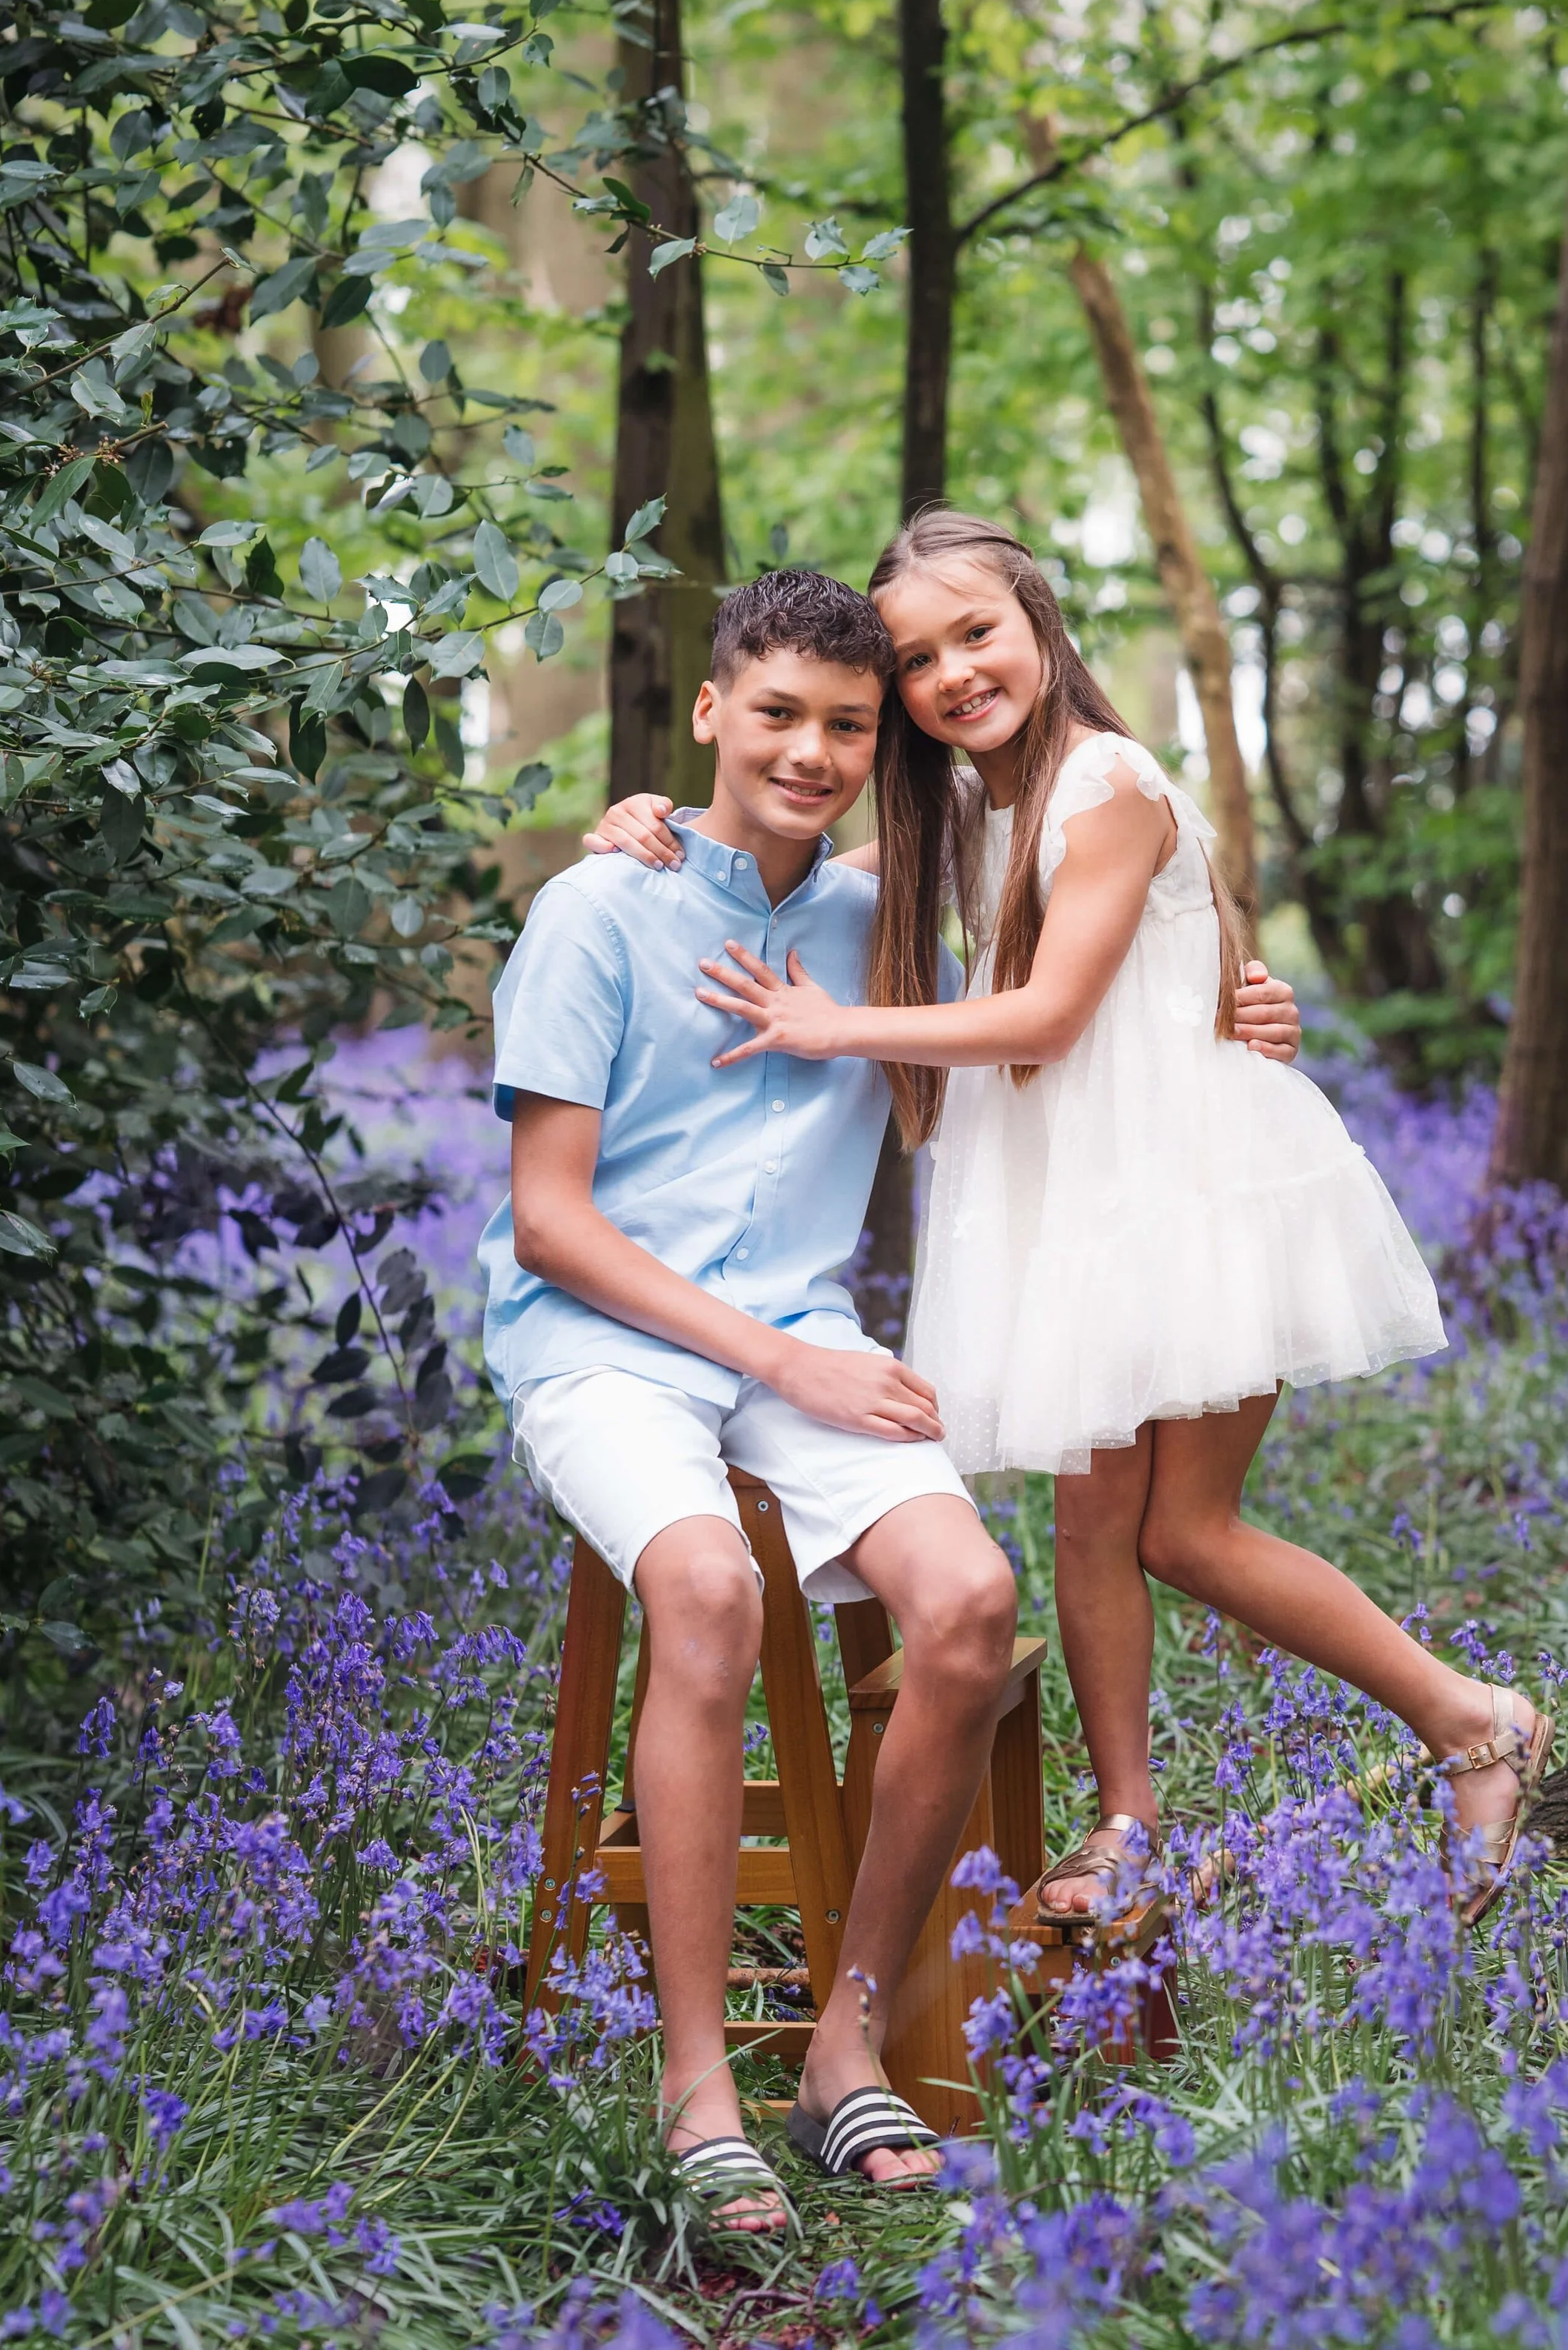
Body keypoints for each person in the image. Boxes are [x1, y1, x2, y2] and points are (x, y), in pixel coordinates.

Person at [587, 511, 1555, 1929]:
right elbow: (796, 858)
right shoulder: (965, 808)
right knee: (1091, 1525)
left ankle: (1477, 1723)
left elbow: (1050, 1012)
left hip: (1192, 1189)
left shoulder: (1107, 778)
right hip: (1082, 1206)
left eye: (975, 632)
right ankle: (1128, 1826)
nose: (952, 674)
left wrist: (832, 1026)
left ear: (1038, 619)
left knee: (1186, 1533)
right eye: (917, 659)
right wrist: (657, 822)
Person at [482, 569, 1037, 2234]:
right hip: (602, 1335)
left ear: (882, 746)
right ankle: (696, 2083)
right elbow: (549, 1219)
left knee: (967, 1603)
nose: (808, 750)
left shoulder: (885, 917)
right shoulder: (598, 909)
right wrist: (777, 1360)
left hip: (798, 1325)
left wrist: (1243, 1007)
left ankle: (841, 2043)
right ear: (712, 709)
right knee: (710, 1593)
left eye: (846, 726)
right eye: (776, 713)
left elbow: (1077, 963)